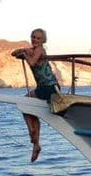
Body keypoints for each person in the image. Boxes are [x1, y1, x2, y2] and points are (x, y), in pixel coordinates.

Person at [10, 28, 59, 163]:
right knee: (33, 109)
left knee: (24, 103)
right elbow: (13, 53)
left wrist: (25, 54)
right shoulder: (33, 50)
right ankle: (36, 144)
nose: (35, 40)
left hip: (49, 87)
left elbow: (31, 62)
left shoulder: (40, 50)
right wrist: (24, 50)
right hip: (45, 87)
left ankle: (31, 131)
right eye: (33, 37)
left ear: (43, 40)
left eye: (38, 38)